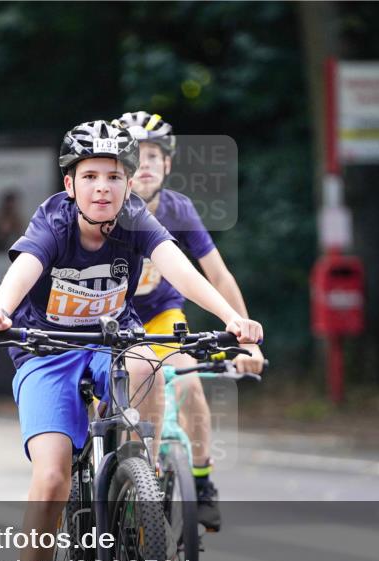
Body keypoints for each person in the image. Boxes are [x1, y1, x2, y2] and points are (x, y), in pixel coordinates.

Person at [0, 120, 263, 561]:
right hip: (46, 350)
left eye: (114, 176)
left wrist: (232, 319)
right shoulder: (52, 222)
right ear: (70, 185)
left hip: (113, 343)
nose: (103, 186)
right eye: (91, 176)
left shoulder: (137, 219)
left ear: (129, 185)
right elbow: (26, 266)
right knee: (54, 473)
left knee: (148, 363)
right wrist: (1, 310)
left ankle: (139, 488)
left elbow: (183, 269)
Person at [114, 111, 265, 532]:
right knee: (102, 401)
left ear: (168, 164)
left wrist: (245, 338)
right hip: (112, 322)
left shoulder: (179, 209)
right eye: (133, 156)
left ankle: (201, 482)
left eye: (153, 156)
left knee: (189, 384)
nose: (143, 165)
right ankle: (100, 483)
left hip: (162, 317)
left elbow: (217, 275)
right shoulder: (105, 207)